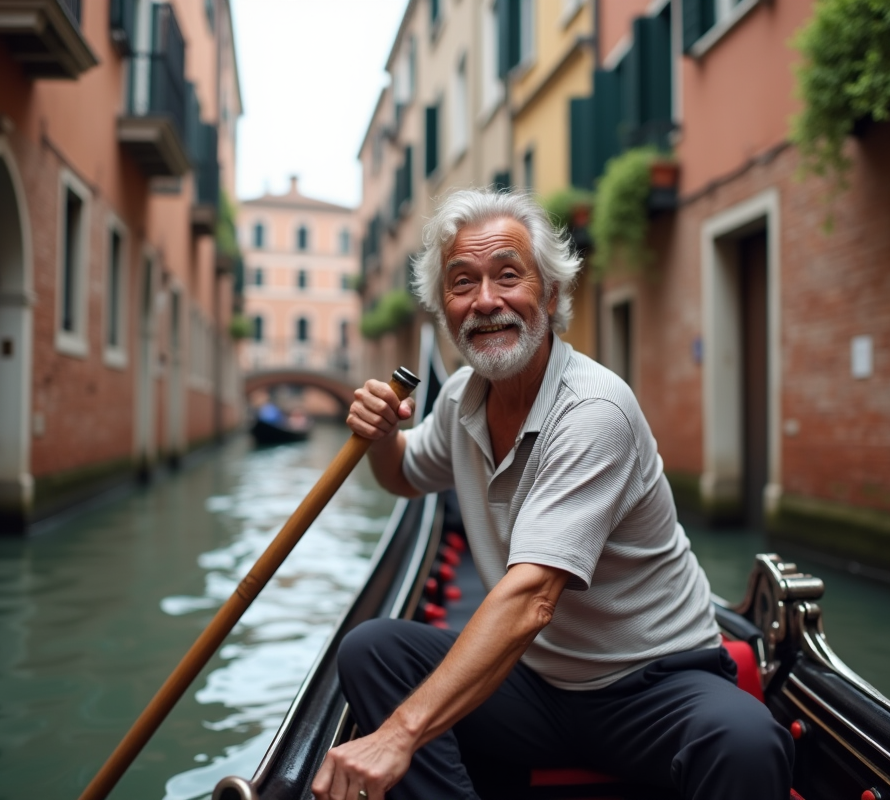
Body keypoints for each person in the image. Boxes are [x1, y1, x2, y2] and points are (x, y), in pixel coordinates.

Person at [311, 189, 793, 800]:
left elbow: (533, 597)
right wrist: (383, 436)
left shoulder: (594, 410)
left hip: (655, 687)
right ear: (445, 308)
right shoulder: (462, 395)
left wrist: (399, 734)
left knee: (747, 740)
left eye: (507, 276)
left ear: (552, 295)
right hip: (534, 686)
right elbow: (404, 474)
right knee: (372, 650)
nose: (485, 301)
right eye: (462, 283)